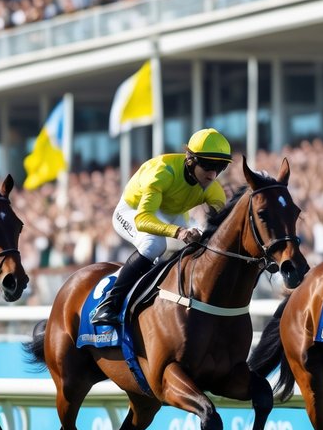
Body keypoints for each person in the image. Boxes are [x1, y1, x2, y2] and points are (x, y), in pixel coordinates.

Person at [91, 128, 230, 326]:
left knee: (198, 248)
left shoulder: (213, 189)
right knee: (154, 245)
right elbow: (143, 219)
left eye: (220, 167)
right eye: (208, 165)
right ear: (190, 160)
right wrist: (179, 232)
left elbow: (222, 228)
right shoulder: (163, 172)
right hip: (134, 211)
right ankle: (108, 304)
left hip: (173, 214)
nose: (212, 175)